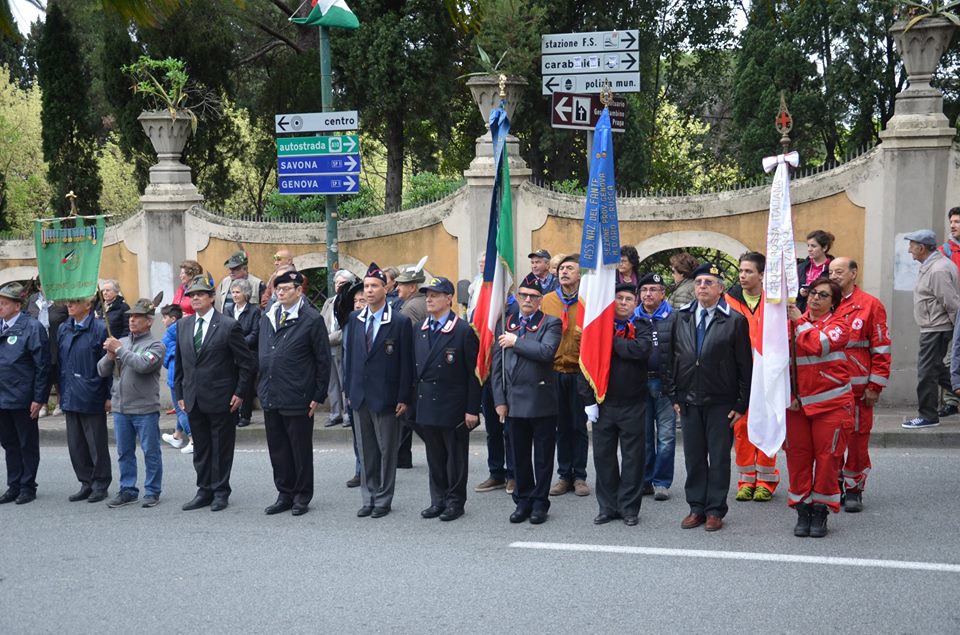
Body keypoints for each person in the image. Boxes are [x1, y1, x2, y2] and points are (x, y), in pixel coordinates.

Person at [666, 263, 752, 532]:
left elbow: (744, 366)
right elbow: (670, 359)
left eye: (708, 282)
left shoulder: (735, 320)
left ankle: (715, 509)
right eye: (699, 282)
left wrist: (741, 403)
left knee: (718, 458)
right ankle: (696, 508)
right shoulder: (680, 316)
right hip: (689, 399)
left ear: (720, 288)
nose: (702, 286)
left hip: (721, 402)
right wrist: (674, 396)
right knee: (693, 457)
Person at [176, 275, 256, 512]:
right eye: (192, 294)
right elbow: (180, 363)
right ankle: (204, 489)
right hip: (193, 397)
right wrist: (180, 392)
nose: (196, 298)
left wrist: (240, 393)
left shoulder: (228, 325)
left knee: (221, 447)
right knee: (201, 447)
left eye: (201, 294)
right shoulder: (183, 325)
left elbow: (247, 363)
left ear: (212, 298)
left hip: (222, 398)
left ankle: (221, 491)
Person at [343, 262, 414, 519]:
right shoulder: (355, 318)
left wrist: (404, 397)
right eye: (366, 286)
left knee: (386, 451)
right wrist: (348, 389)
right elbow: (350, 357)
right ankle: (369, 496)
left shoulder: (399, 321)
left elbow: (407, 363)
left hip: (386, 397)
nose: (369, 291)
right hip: (360, 395)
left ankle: (383, 498)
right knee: (366, 450)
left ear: (386, 288)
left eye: (374, 286)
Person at [259, 270, 331, 517]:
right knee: (277, 449)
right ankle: (284, 493)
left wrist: (318, 394)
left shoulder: (311, 319)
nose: (281, 292)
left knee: (299, 449)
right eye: (278, 289)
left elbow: (323, 360)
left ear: (299, 291)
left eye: (287, 288)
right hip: (271, 393)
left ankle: (301, 495)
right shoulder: (268, 316)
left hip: (298, 395)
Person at [785, 278, 853, 538]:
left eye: (823, 295)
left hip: (831, 405)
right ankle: (803, 509)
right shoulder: (792, 323)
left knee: (827, 461)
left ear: (833, 302)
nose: (815, 298)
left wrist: (798, 322)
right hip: (797, 407)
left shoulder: (839, 325)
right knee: (798, 460)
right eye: (813, 293)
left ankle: (821, 512)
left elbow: (819, 345)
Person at [492, 274, 562, 525]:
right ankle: (523, 500)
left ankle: (540, 502)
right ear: (517, 297)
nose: (528, 300)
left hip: (540, 399)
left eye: (533, 296)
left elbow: (545, 352)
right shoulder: (505, 323)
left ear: (540, 300)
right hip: (512, 402)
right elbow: (497, 367)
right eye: (523, 295)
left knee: (542, 457)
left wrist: (516, 341)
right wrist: (499, 400)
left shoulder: (551, 323)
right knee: (518, 455)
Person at [580, 283, 652, 526]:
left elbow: (641, 351)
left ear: (635, 303)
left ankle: (629, 508)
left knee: (633, 459)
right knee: (604, 458)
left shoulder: (642, 325)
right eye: (619, 298)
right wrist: (589, 401)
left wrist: (608, 342)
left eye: (628, 299)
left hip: (633, 403)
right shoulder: (596, 327)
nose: (623, 302)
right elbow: (585, 364)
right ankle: (607, 507)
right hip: (604, 403)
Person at [412, 277, 481, 521]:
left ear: (449, 298)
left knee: (455, 458)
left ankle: (455, 501)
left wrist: (472, 409)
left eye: (435, 294)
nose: (429, 299)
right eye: (427, 295)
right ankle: (437, 499)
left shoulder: (462, 330)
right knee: (435, 457)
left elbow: (474, 375)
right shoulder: (419, 329)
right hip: (427, 402)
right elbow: (413, 369)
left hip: (453, 404)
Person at [830, 257, 891, 512]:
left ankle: (854, 489)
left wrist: (874, 386)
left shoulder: (869, 305)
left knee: (856, 443)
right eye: (831, 271)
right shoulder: (823, 302)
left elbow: (882, 348)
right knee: (830, 443)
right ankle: (833, 486)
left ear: (854, 273)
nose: (834, 276)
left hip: (858, 392)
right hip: (829, 390)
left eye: (840, 271)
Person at [97, 298, 165, 508]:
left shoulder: (156, 345)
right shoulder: (123, 342)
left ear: (149, 322)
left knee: (150, 451)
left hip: (144, 408)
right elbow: (101, 370)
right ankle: (128, 490)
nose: (132, 320)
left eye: (138, 317)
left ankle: (152, 491)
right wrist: (109, 356)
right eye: (131, 317)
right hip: (121, 407)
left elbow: (143, 364)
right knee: (124, 452)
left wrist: (119, 351)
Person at [724, 252, 781, 502]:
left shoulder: (774, 300)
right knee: (742, 427)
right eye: (740, 271)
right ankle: (746, 480)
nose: (742, 276)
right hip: (740, 373)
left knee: (767, 424)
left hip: (767, 372)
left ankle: (767, 480)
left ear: (761, 274)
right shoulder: (729, 299)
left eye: (748, 271)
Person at [542, 254, 590, 497]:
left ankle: (580, 476)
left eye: (570, 268)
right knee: (560, 426)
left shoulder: (587, 300)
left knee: (579, 426)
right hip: (554, 372)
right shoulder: (547, 301)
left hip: (579, 372)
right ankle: (563, 476)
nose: (564, 272)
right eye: (561, 269)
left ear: (579, 274)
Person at [58, 296, 112, 503]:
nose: (69, 305)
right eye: (68, 302)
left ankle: (100, 483)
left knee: (96, 443)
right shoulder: (64, 328)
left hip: (92, 393)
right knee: (76, 444)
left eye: (75, 302)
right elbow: (62, 362)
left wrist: (108, 395)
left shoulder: (99, 328)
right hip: (70, 392)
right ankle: (86, 482)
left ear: (88, 305)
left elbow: (108, 364)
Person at [0, 282, 50, 505]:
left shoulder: (32, 327)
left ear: (17, 306)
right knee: (9, 443)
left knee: (26, 443)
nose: (0, 307)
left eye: (4, 303)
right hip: (2, 397)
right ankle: (14, 484)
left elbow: (42, 366)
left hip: (22, 396)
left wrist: (39, 398)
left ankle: (28, 485)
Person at [903, 229, 960, 428]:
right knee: (938, 369)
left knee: (926, 372)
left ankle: (928, 415)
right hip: (933, 326)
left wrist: (956, 330)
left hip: (936, 328)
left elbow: (951, 303)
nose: (909, 250)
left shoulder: (938, 269)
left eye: (912, 246)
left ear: (922, 247)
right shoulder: (932, 265)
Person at [635, 272, 677, 501]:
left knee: (667, 436)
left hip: (665, 384)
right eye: (644, 290)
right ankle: (645, 480)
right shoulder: (632, 317)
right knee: (643, 436)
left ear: (663, 294)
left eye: (653, 290)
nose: (648, 294)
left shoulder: (675, 317)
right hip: (639, 383)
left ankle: (662, 482)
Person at [321, 270, 357, 428]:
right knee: (332, 382)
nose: (339, 286)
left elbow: (346, 329)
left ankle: (347, 414)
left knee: (344, 381)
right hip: (327, 348)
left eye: (342, 283)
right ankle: (335, 413)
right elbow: (321, 320)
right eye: (337, 283)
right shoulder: (329, 301)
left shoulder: (351, 302)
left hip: (341, 346)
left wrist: (326, 339)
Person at [27, 280, 68, 417]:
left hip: (55, 341)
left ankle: (60, 403)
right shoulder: (33, 300)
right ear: (39, 287)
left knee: (57, 372)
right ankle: (43, 404)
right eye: (45, 284)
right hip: (37, 342)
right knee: (40, 373)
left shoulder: (59, 301)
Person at [160, 304, 193, 454]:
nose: (162, 320)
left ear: (173, 319)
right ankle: (177, 436)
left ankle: (193, 440)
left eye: (165, 317)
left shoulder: (170, 332)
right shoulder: (187, 327)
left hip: (176, 375)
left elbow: (166, 353)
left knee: (180, 409)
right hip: (186, 374)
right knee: (182, 407)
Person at [229, 278, 261, 428]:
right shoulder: (228, 310)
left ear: (246, 294)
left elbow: (255, 333)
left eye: (238, 292)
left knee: (246, 386)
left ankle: (245, 415)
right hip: (230, 355)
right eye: (233, 292)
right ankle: (233, 414)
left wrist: (239, 345)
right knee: (232, 384)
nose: (234, 295)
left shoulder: (254, 311)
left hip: (248, 354)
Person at [938, 208, 960, 418]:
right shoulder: (944, 251)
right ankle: (951, 400)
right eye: (952, 221)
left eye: (957, 222)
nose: (953, 225)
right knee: (950, 358)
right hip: (951, 312)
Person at [796, 229, 835, 313]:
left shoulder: (833, 268)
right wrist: (800, 292)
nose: (809, 249)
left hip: (823, 313)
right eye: (808, 246)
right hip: (801, 312)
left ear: (824, 248)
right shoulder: (801, 267)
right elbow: (791, 290)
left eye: (813, 246)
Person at [216, 250, 265, 314]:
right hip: (227, 321)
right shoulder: (225, 282)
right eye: (230, 268)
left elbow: (265, 308)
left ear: (245, 269)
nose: (231, 272)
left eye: (235, 268)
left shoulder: (258, 284)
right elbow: (217, 306)